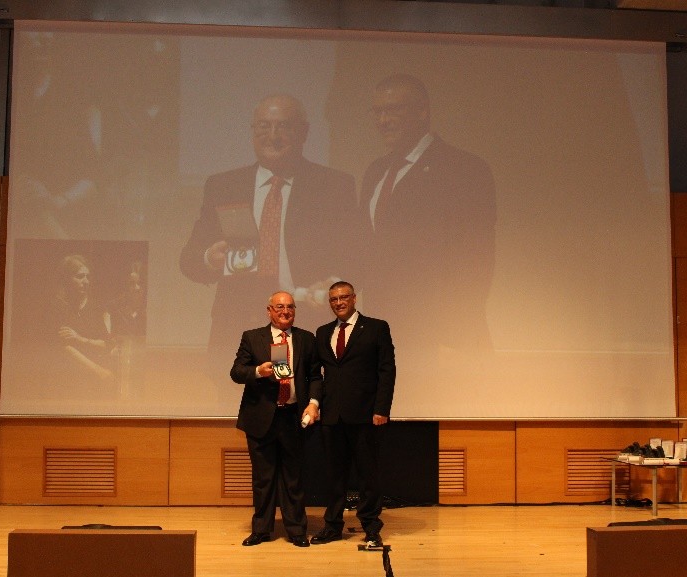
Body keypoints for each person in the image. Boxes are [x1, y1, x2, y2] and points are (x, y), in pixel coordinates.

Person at [180, 94, 360, 373]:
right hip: (240, 331)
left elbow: (356, 257)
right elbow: (189, 260)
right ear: (253, 131)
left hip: (306, 326)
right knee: (238, 401)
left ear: (303, 132)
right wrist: (209, 258)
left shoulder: (333, 186)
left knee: (297, 398)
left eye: (283, 126)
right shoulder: (224, 186)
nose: (272, 136)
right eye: (264, 126)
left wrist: (333, 284)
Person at [360, 73, 496, 360]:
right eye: (378, 112)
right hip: (382, 334)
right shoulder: (376, 172)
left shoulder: (464, 169)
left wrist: (454, 337)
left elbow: (474, 260)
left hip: (438, 339)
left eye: (393, 110)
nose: (383, 120)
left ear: (422, 111)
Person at [229, 291, 322, 548]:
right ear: (269, 310)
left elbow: (316, 376)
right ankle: (261, 530)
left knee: (294, 478)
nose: (285, 311)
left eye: (290, 307)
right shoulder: (252, 337)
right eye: (279, 307)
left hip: (294, 416)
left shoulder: (306, 339)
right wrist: (258, 371)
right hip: (261, 418)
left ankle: (296, 530)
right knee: (263, 479)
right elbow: (236, 372)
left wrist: (313, 403)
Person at [310, 281, 395, 548]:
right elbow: (317, 374)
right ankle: (332, 526)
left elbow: (387, 371)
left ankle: (371, 526)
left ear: (354, 298)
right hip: (331, 417)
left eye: (343, 297)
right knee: (334, 476)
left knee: (368, 475)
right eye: (333, 299)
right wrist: (315, 404)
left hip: (366, 415)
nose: (339, 303)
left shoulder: (376, 328)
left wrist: (381, 409)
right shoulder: (323, 332)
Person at [45, 254, 115, 387]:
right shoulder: (57, 307)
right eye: (80, 276)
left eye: (87, 276)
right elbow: (66, 347)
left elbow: (106, 344)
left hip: (96, 380)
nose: (86, 281)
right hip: (68, 378)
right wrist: (99, 370)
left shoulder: (95, 308)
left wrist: (79, 339)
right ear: (66, 279)